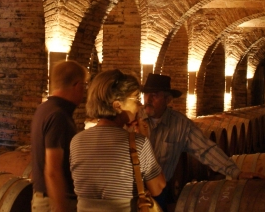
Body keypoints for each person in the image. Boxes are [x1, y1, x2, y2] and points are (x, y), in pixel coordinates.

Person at [141, 73, 241, 210]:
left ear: (168, 99)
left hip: (159, 193)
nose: (148, 100)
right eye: (146, 94)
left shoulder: (180, 124)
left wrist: (235, 172)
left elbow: (206, 150)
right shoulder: (132, 119)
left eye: (155, 95)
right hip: (131, 190)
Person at [70, 70, 166, 212]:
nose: (140, 105)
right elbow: (158, 187)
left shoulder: (77, 141)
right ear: (117, 105)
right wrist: (144, 138)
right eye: (135, 99)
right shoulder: (137, 143)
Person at [31, 60, 88, 212]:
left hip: (47, 199)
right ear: (77, 85)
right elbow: (53, 170)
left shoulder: (44, 109)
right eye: (84, 86)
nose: (84, 92)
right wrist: (61, 206)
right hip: (54, 201)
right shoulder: (58, 116)